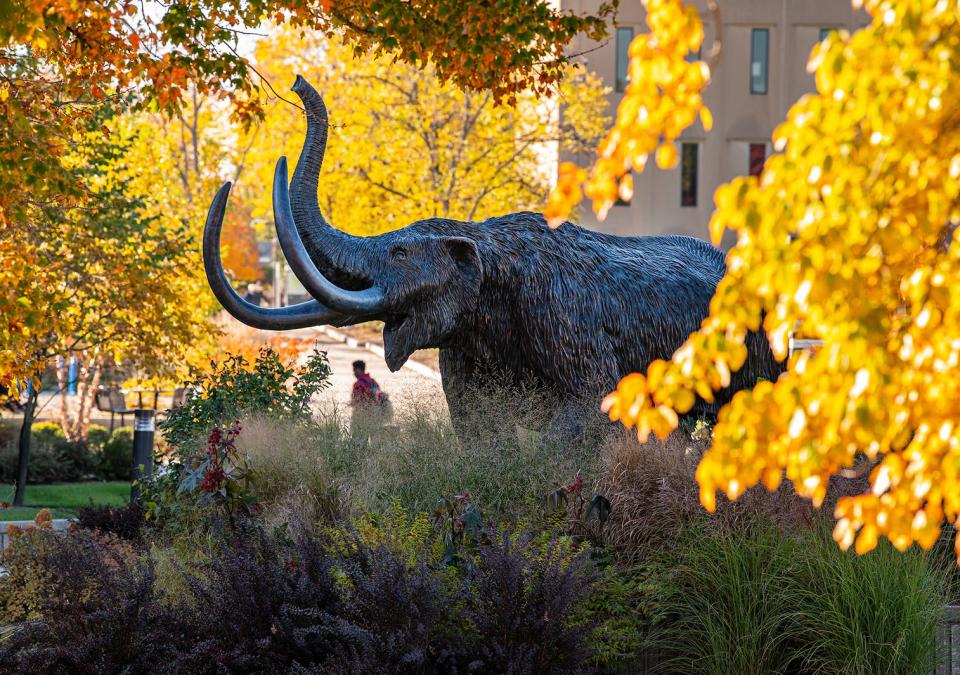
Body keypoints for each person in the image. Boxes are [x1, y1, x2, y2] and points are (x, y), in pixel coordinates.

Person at [349, 360, 391, 438]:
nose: (354, 373)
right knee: (374, 440)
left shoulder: (358, 384)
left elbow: (356, 401)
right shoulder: (372, 381)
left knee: (359, 441)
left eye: (354, 370)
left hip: (361, 417)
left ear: (359, 370)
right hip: (374, 415)